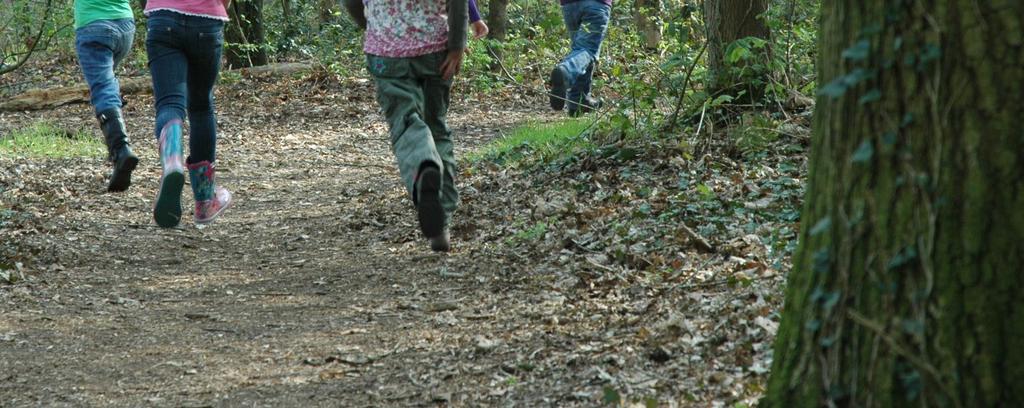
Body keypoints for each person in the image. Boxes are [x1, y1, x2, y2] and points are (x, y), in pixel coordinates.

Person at [343, 0, 468, 252]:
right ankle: (441, 224)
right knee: (437, 127)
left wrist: (370, 25)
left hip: (386, 51)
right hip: (436, 48)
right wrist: (457, 44)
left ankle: (423, 164)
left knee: (406, 121)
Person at [144, 0, 233, 228]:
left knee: (169, 104)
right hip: (207, 20)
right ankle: (204, 200)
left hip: (162, 19)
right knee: (201, 106)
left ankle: (172, 160)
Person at [74, 0, 139, 192]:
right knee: (107, 83)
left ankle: (121, 150)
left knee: (103, 89)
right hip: (125, 26)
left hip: (94, 26)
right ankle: (119, 155)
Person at [548, 0, 611, 117]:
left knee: (580, 50)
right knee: (588, 49)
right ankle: (566, 71)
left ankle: (578, 101)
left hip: (569, 5)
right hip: (596, 4)